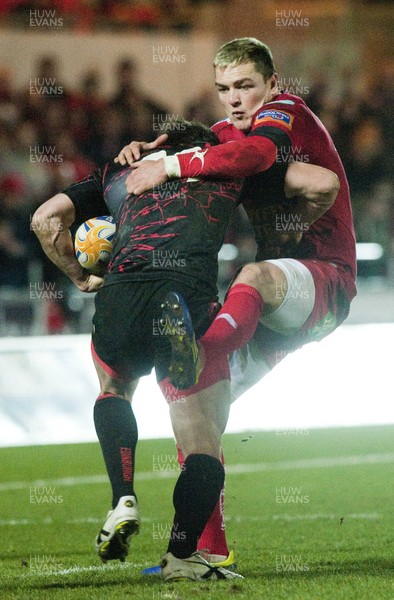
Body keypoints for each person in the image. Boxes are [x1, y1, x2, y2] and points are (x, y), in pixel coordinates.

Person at [116, 36, 356, 564]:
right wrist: (147, 151)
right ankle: (202, 552)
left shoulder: (284, 111)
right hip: (267, 316)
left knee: (256, 275)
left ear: (271, 84)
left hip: (325, 282)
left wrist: (175, 166)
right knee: (190, 399)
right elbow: (200, 147)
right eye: (224, 88)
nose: (234, 98)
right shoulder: (225, 135)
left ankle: (209, 349)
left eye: (245, 85)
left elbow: (257, 154)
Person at [32, 119, 245, 582]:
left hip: (123, 288)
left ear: (159, 143)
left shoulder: (117, 172)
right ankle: (182, 557)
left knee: (113, 385)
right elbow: (318, 183)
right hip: (188, 292)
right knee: (202, 439)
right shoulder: (227, 168)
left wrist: (81, 277)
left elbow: (44, 219)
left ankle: (123, 497)